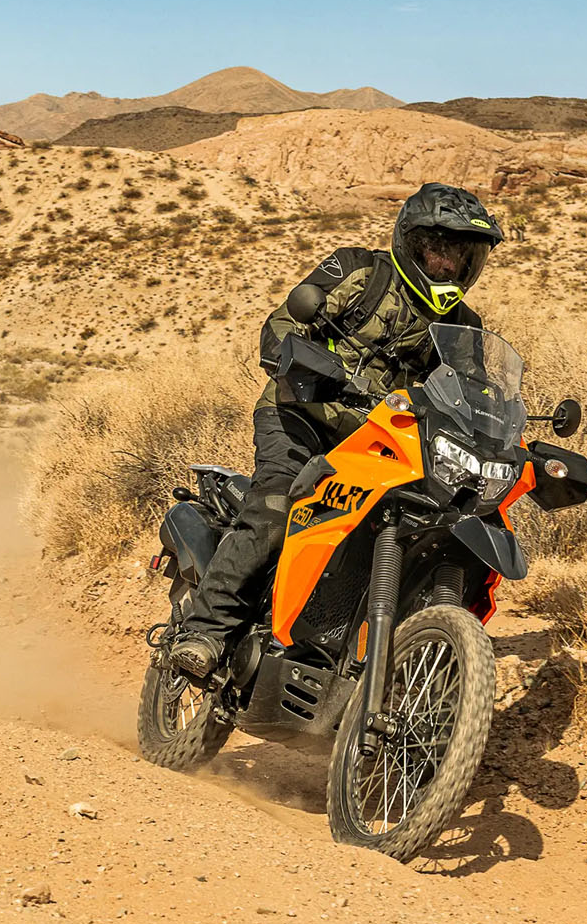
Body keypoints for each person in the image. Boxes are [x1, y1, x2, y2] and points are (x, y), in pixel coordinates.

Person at [168, 182, 504, 678]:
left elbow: (476, 395)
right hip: (303, 417)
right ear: (412, 243)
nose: (448, 266)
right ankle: (206, 631)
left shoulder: (464, 327)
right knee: (276, 508)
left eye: (461, 255)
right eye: (437, 250)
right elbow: (281, 328)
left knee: (427, 526)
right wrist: (308, 363)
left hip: (383, 445)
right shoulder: (359, 272)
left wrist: (501, 431)